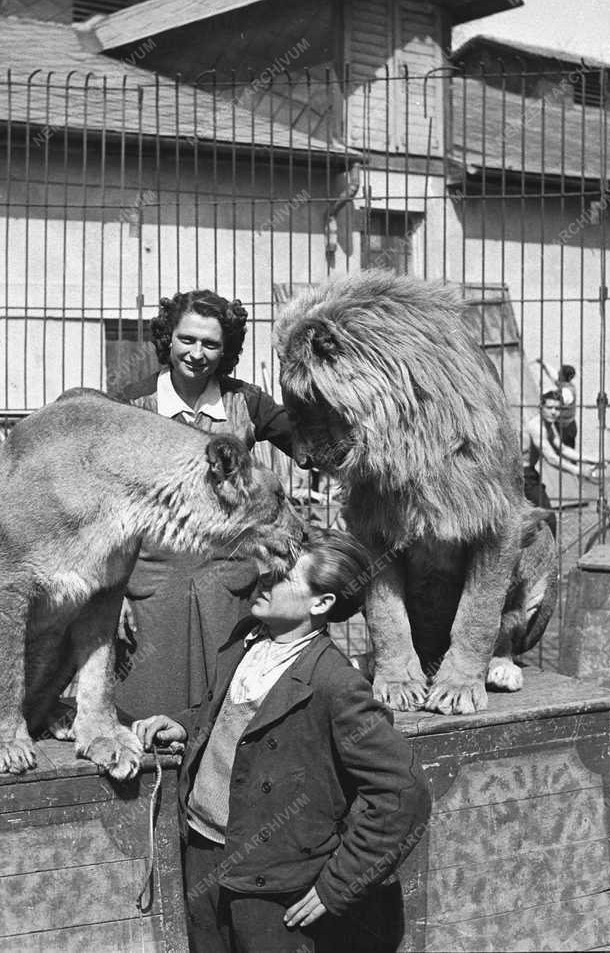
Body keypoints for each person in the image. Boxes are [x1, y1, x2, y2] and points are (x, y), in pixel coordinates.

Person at [132, 528, 432, 953]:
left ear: (322, 603)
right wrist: (185, 724)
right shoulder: (246, 642)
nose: (264, 579)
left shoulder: (335, 683)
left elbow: (404, 792)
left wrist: (338, 885)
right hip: (204, 853)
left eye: (282, 577)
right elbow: (233, 713)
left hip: (274, 887)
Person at [114, 289, 296, 721]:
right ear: (168, 339)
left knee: (226, 712)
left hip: (228, 584)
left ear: (226, 349)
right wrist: (113, 592)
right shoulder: (131, 404)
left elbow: (311, 445)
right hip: (151, 586)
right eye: (187, 340)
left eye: (211, 344)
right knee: (145, 713)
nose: (197, 353)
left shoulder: (246, 403)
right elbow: (110, 505)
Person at [524, 389, 602, 536]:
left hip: (530, 474)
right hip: (522, 475)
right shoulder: (537, 427)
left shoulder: (548, 424)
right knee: (548, 519)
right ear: (540, 407)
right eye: (550, 408)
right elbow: (552, 458)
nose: (554, 412)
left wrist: (589, 458)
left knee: (533, 520)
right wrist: (579, 471)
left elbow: (562, 449)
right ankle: (549, 556)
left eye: (557, 408)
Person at [555, 364, 578, 449]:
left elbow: (563, 402)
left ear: (563, 376)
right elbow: (553, 375)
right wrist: (544, 365)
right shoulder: (566, 384)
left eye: (560, 372)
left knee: (565, 452)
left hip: (565, 427)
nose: (558, 373)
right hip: (569, 424)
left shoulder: (566, 390)